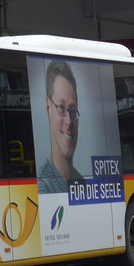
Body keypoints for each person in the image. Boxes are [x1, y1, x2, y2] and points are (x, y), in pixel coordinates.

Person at [37, 60, 86, 194]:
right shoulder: (43, 187)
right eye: (61, 108)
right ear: (48, 108)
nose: (69, 122)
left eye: (73, 110)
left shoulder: (81, 182)